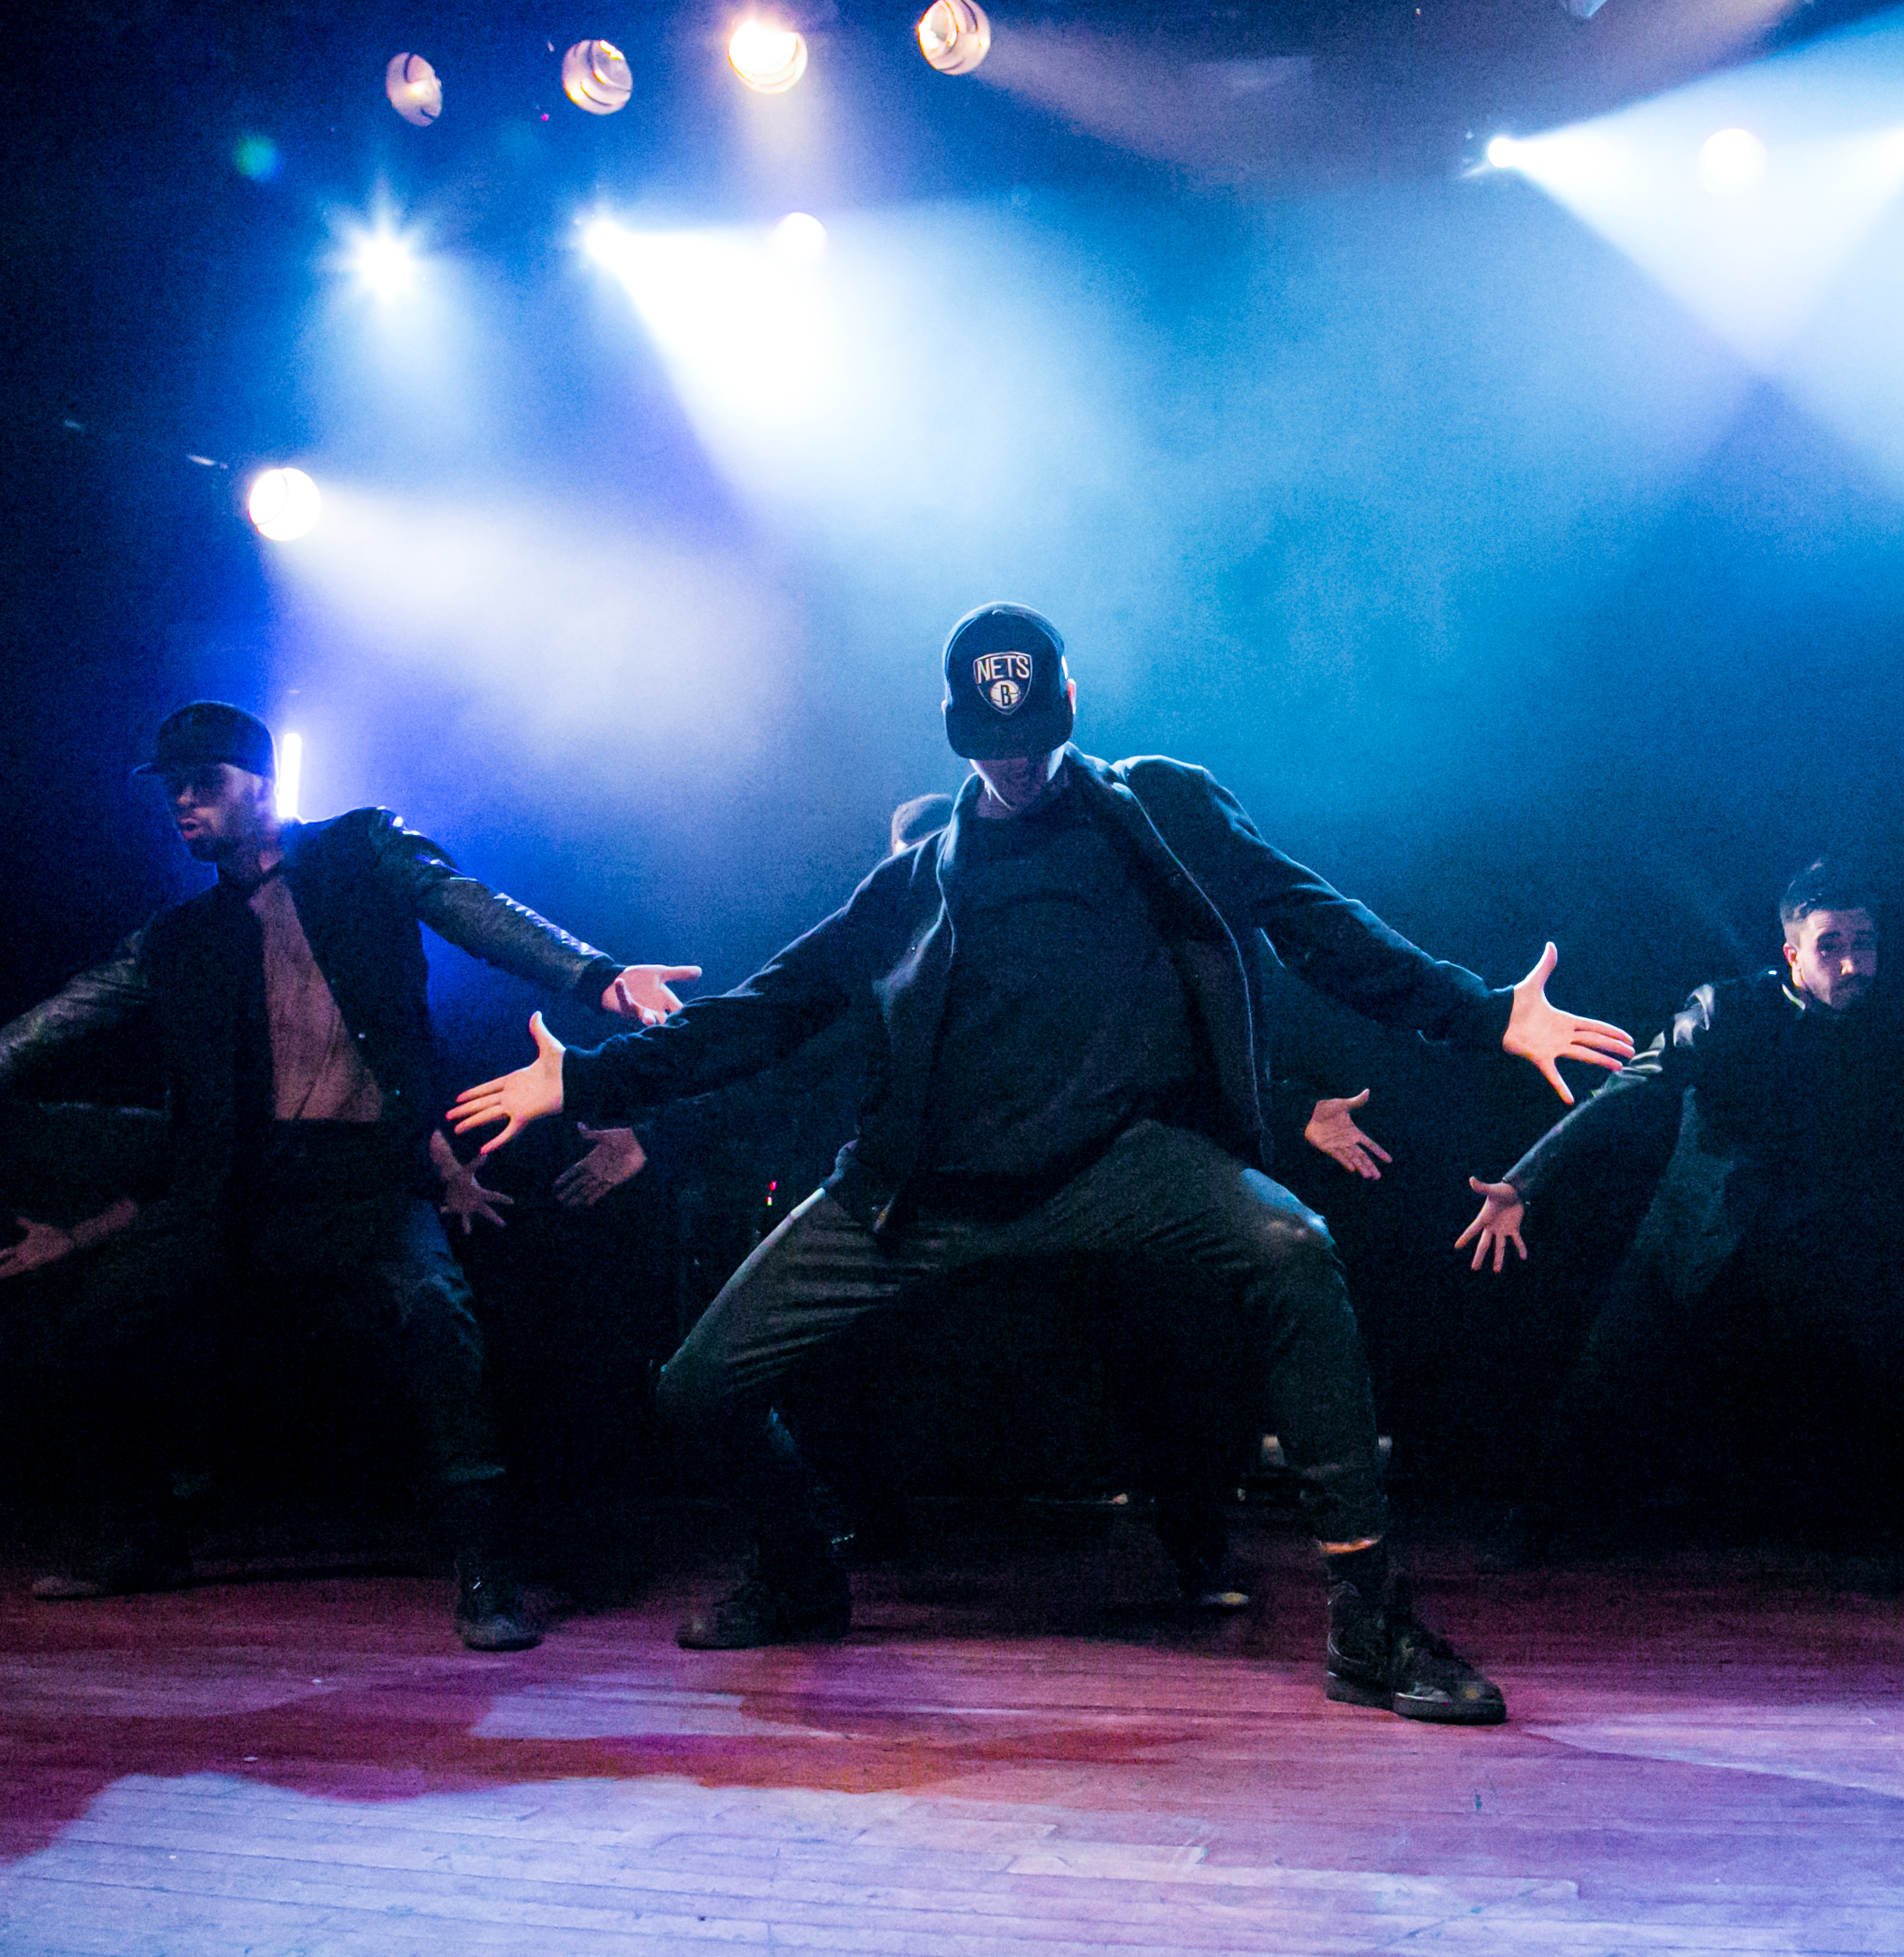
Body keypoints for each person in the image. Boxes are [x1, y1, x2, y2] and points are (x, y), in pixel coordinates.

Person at [449, 603, 1635, 1722]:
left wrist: (1484, 1015)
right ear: (958, 736)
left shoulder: (1164, 809)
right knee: (694, 1385)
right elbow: (762, 1014)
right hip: (924, 1194)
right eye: (991, 745)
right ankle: (801, 1573)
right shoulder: (913, 881)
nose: (1016, 766)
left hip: (1125, 1166)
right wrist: (589, 1080)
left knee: (1292, 1246)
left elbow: (1312, 920)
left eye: (1035, 737)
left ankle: (1371, 1628)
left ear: (1069, 701)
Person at [0, 701, 699, 1651]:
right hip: (239, 1185)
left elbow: (471, 908)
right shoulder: (179, 937)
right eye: (172, 789)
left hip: (364, 1179)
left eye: (203, 783)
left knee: (435, 1319)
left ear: (266, 781)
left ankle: (486, 1574)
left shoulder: (363, 851)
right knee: (97, 1327)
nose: (183, 804)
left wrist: (597, 977)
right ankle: (149, 1537)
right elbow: (50, 1024)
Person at [1456, 861, 1904, 1562]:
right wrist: (1525, 1181)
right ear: (1793, 954)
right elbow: (1631, 1089)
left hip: (1826, 1251)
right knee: (1606, 1379)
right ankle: (1535, 1529)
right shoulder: (1724, 1012)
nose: (1853, 962)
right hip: (1698, 1239)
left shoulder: (1896, 1031)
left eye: (1865, 943)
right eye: (1831, 945)